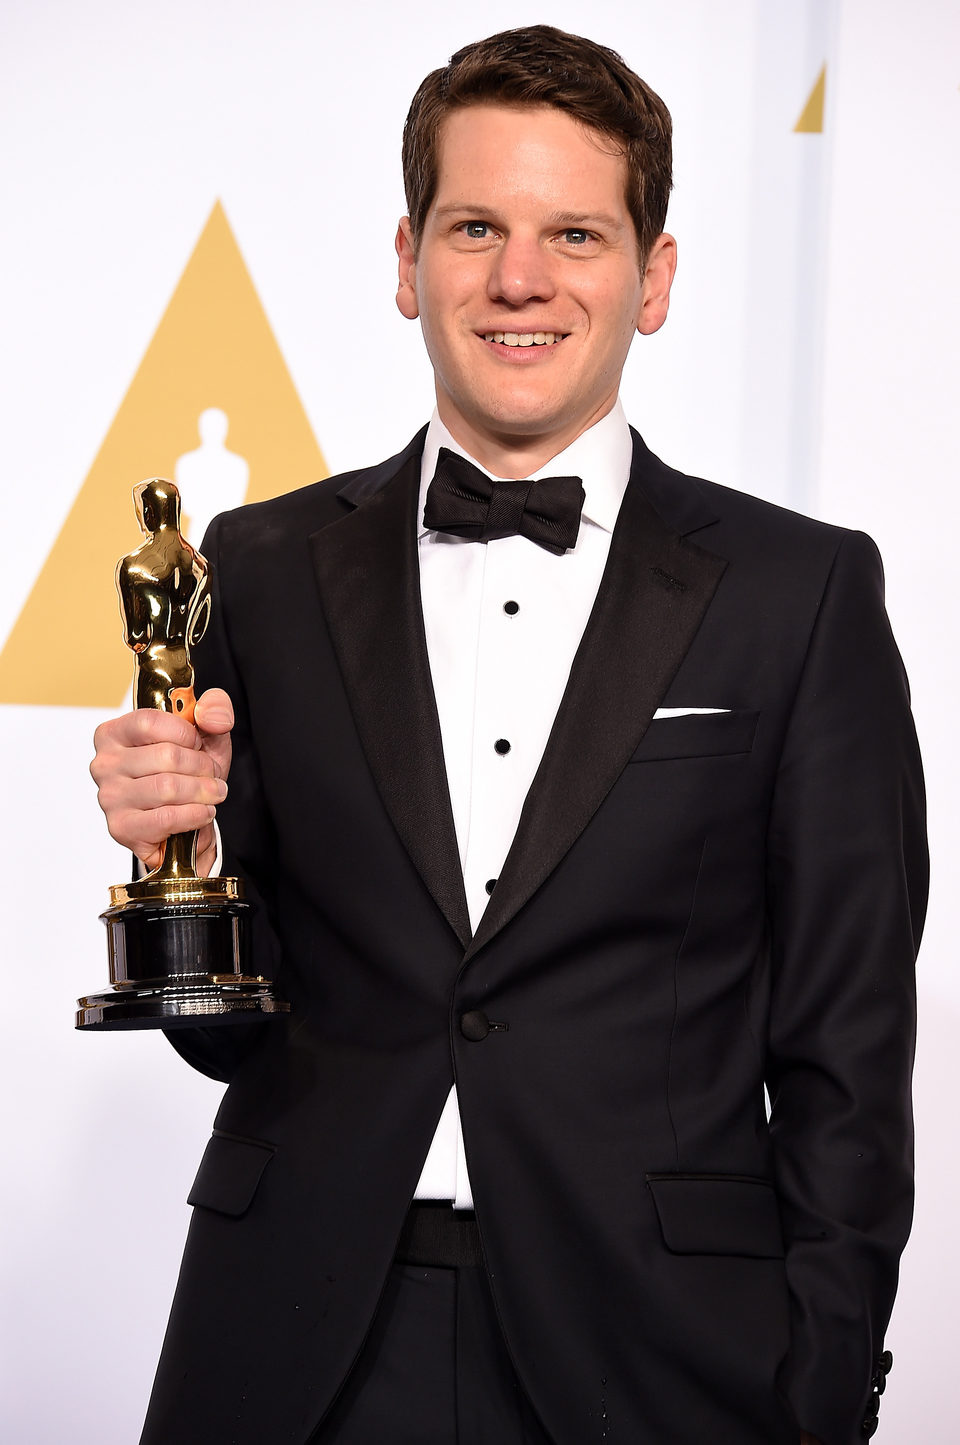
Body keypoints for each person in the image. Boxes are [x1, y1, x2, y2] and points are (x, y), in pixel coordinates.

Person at [89, 25, 926, 1445]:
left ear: (652, 279)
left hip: (665, 1357)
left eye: (576, 234)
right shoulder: (267, 565)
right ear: (407, 256)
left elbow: (851, 1040)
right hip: (300, 1344)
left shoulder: (802, 590)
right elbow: (238, 1045)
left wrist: (825, 1375)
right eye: (475, 226)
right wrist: (187, 845)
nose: (520, 278)